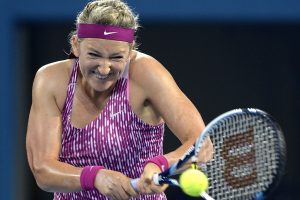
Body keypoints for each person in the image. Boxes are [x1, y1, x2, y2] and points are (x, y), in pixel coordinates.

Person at [26, 0, 213, 199]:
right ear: (75, 45)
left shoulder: (147, 73)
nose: (104, 68)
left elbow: (201, 144)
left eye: (116, 58)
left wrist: (160, 164)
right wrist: (95, 177)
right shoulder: (51, 80)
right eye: (94, 54)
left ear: (130, 51)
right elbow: (43, 170)